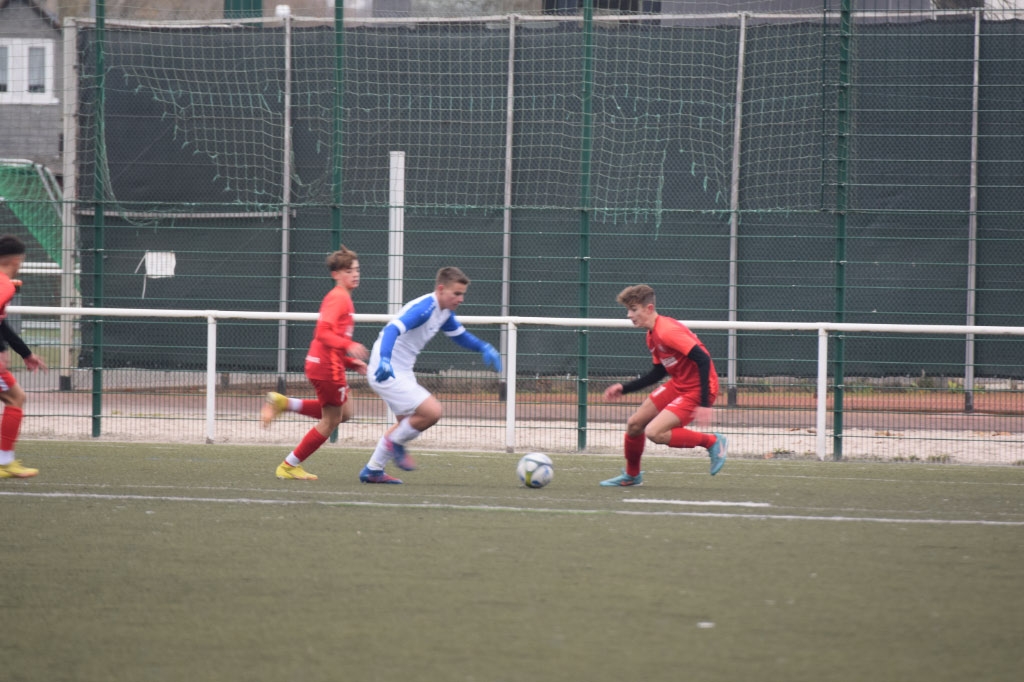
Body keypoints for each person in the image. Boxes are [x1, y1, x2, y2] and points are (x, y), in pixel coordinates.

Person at [359, 266, 502, 484]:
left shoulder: (444, 312)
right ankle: (394, 444)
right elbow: (391, 330)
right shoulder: (425, 308)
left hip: (402, 370)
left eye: (463, 294)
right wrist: (385, 360)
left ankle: (373, 470)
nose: (461, 299)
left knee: (408, 424)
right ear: (441, 289)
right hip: (386, 369)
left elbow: (460, 336)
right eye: (457, 293)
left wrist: (484, 347)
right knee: (432, 412)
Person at [600, 284, 726, 486]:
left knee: (655, 433)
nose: (629, 315)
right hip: (679, 384)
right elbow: (658, 372)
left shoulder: (667, 331)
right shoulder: (651, 335)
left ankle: (712, 442)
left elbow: (703, 359)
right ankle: (632, 476)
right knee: (635, 425)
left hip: (699, 388)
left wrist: (704, 403)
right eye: (628, 310)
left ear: (649, 308)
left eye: (633, 309)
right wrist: (624, 388)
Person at [261, 246, 368, 480]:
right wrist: (348, 345)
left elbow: (330, 340)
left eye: (357, 269)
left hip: (326, 363)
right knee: (331, 420)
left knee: (345, 412)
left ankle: (284, 403)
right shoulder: (339, 298)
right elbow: (322, 333)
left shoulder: (343, 298)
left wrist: (350, 362)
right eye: (349, 271)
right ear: (335, 274)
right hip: (326, 368)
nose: (355, 274)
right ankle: (289, 465)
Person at [0, 235, 49, 479]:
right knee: (15, 397)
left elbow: (1, 323)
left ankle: (4, 461)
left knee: (16, 397)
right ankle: (4, 462)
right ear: (17, 260)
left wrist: (26, 354)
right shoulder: (4, 285)